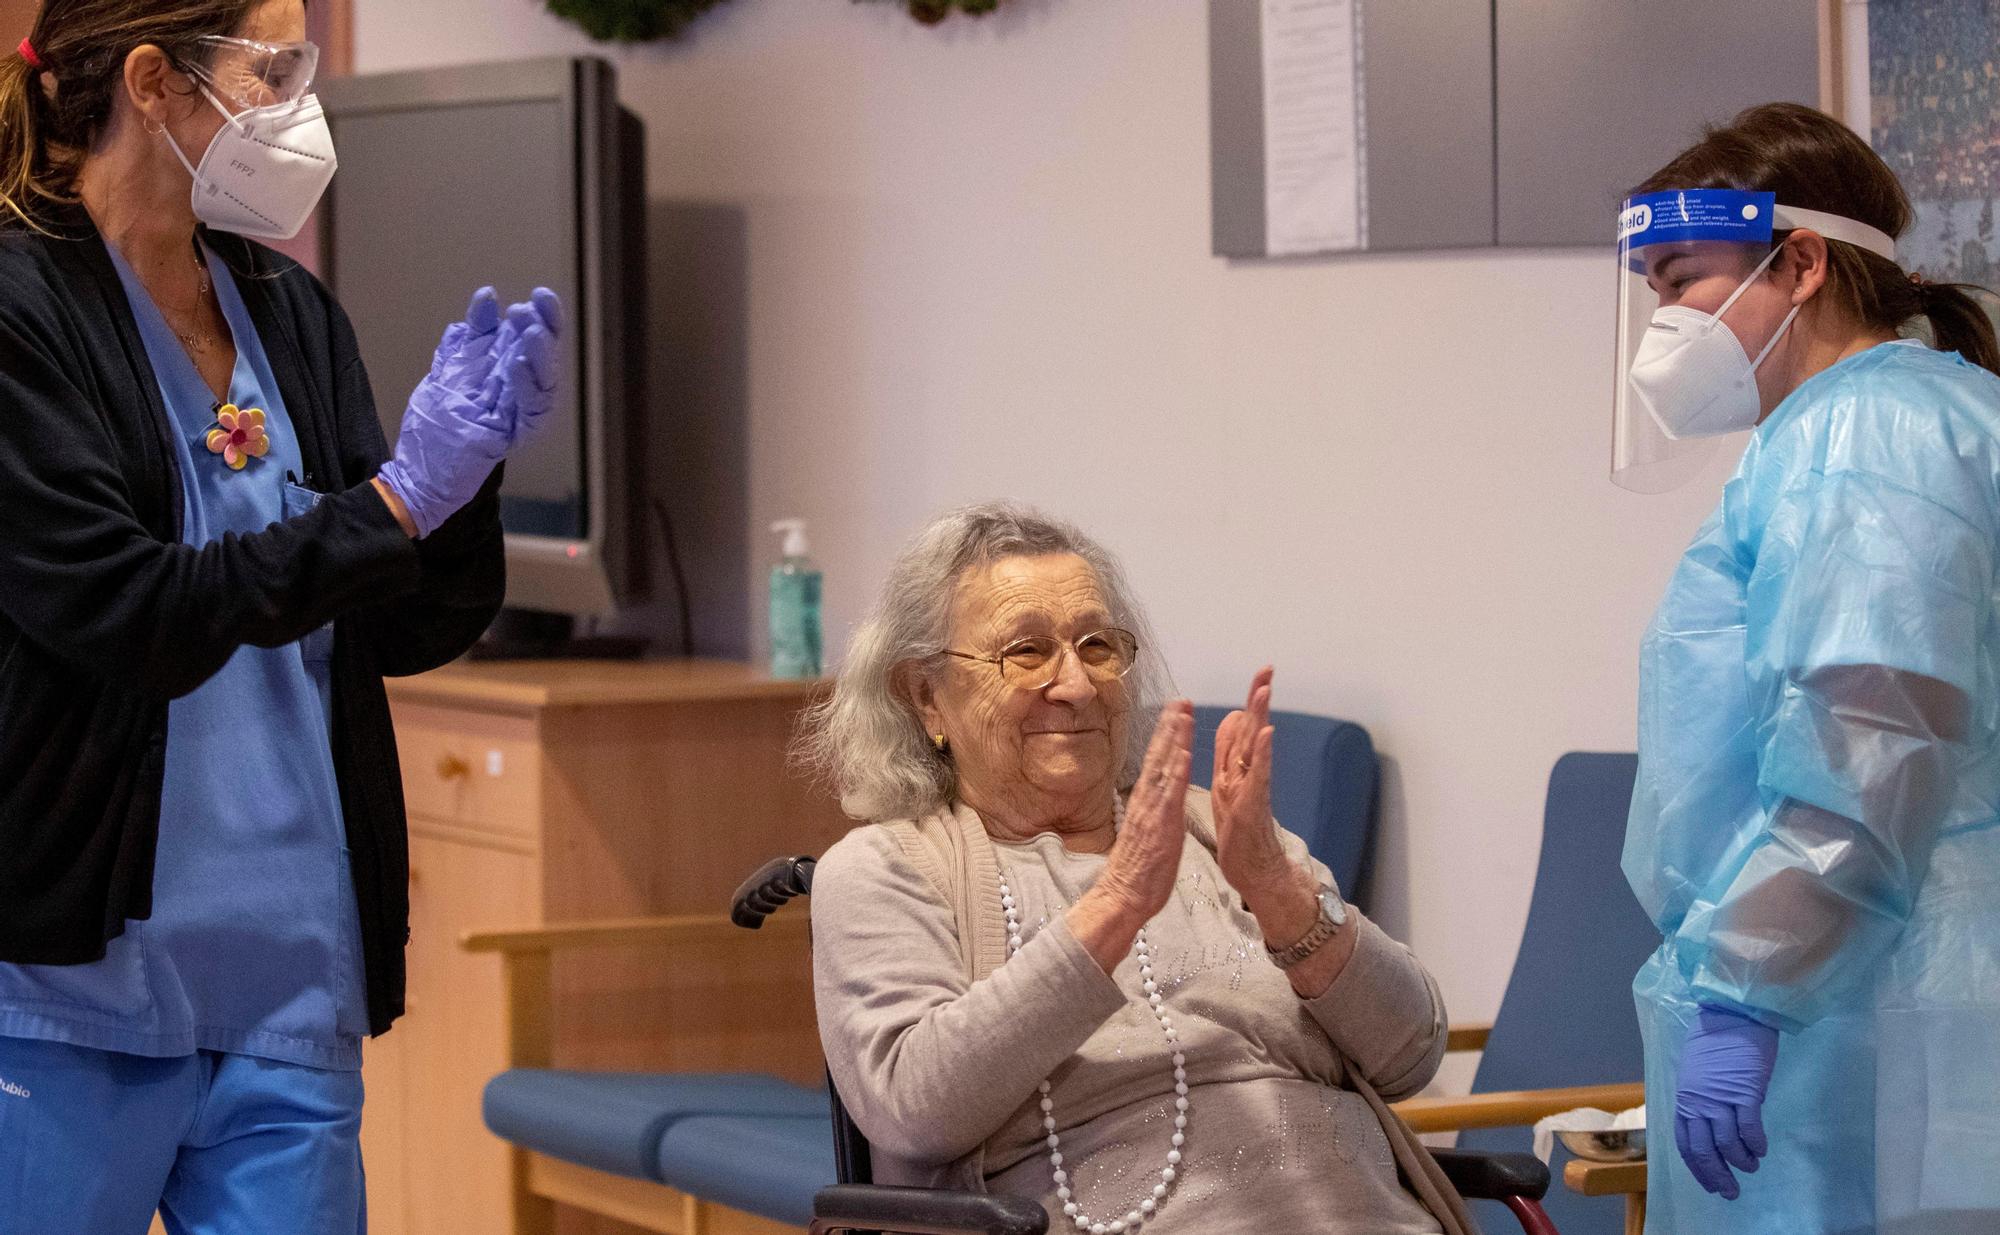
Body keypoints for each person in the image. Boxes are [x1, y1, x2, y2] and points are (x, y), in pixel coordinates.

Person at [0, 2, 562, 1232]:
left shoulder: (288, 312)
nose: (301, 101)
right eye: (272, 67)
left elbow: (398, 624)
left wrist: (459, 489)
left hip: (288, 980)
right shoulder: (18, 309)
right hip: (65, 982)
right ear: (153, 84)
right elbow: (127, 609)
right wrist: (398, 496)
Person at [800, 503, 1467, 1235]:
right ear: (927, 695)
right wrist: (1114, 905)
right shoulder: (885, 868)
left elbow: (1413, 1051)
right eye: (1026, 651)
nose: (1078, 684)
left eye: (1098, 645)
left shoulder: (1225, 835)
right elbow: (916, 1108)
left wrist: (1282, 893)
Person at [1614, 103, 2000, 1234]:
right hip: (1858, 995)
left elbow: (1872, 734)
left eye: (1681, 279)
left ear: (1800, 261)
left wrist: (1745, 992)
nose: (1663, 323)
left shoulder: (1868, 433)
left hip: (1863, 1015)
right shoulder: (1906, 420)